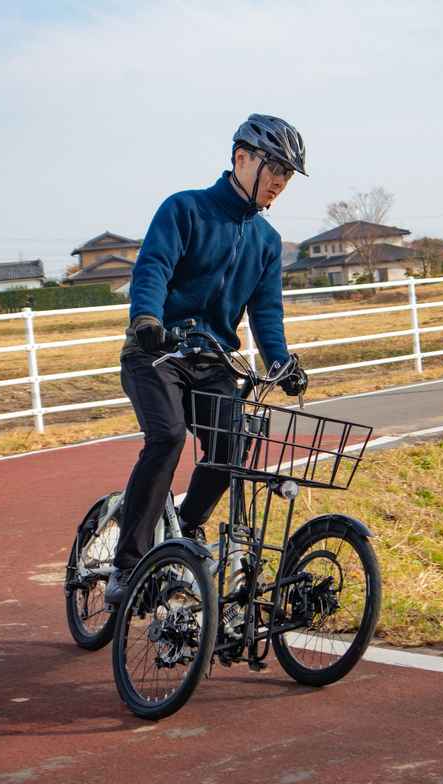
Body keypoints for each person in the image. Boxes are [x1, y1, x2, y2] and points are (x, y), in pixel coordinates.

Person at [105, 114, 309, 605]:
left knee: (233, 444)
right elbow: (153, 267)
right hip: (157, 354)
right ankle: (127, 565)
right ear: (242, 158)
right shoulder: (185, 209)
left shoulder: (266, 242)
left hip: (213, 361)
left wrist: (282, 364)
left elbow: (266, 311)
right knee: (168, 435)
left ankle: (187, 529)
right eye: (274, 166)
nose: (280, 181)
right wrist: (147, 319)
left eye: (288, 173)